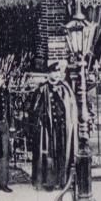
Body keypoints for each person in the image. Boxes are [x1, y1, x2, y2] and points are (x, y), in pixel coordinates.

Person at [30, 61, 78, 191]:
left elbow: (70, 108)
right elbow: (34, 110)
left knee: (62, 153)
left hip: (61, 128)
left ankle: (63, 181)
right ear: (48, 74)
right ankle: (49, 182)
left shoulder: (65, 88)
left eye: (58, 72)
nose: (56, 75)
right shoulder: (42, 89)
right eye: (53, 72)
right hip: (47, 129)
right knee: (48, 155)